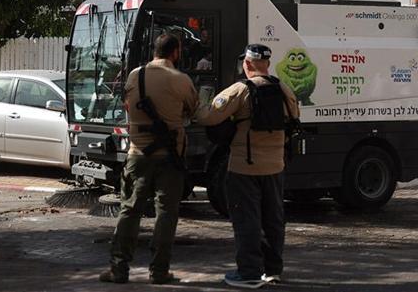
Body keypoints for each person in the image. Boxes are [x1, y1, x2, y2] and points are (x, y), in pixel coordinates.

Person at [197, 44, 299, 289]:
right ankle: (273, 270)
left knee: (247, 220)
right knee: (273, 219)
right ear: (267, 64)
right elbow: (295, 118)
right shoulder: (284, 88)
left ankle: (249, 273)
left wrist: (198, 104)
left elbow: (209, 116)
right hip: (275, 166)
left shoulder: (241, 89)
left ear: (247, 64)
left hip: (244, 167)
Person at [100, 33, 198, 285]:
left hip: (138, 155)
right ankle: (159, 271)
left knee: (130, 210)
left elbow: (127, 106)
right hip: (170, 157)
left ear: (154, 51)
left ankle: (118, 269)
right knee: (166, 213)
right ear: (175, 52)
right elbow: (193, 109)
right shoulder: (181, 79)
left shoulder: (135, 75)